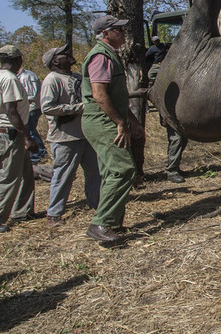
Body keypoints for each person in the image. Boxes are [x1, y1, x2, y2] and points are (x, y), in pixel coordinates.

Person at [82, 15, 145, 243]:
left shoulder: (110, 55)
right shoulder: (101, 57)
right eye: (118, 30)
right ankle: (101, 223)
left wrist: (132, 121)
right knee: (123, 169)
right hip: (102, 120)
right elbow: (99, 95)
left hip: (107, 118)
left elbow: (116, 97)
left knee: (111, 171)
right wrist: (120, 123)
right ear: (106, 33)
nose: (123, 33)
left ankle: (113, 221)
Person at [40, 45, 101, 227]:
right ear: (55, 61)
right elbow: (47, 107)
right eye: (63, 54)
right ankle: (54, 214)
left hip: (85, 133)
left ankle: (96, 205)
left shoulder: (77, 77)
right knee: (64, 175)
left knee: (95, 173)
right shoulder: (51, 80)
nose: (68, 55)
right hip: (65, 137)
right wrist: (78, 108)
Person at [0, 45, 38, 233]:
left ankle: (23, 211)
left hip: (7, 132)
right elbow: (11, 111)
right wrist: (27, 137)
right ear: (18, 60)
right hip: (11, 133)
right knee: (9, 178)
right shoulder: (10, 78)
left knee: (27, 175)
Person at [145, 37, 187, 184]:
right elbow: (158, 92)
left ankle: (175, 166)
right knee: (176, 139)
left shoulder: (175, 68)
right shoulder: (162, 71)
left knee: (182, 139)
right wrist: (163, 114)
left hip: (177, 110)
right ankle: (171, 170)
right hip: (168, 111)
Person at [16, 61, 47, 163]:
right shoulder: (22, 76)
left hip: (31, 108)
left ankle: (36, 155)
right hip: (29, 108)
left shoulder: (26, 76)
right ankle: (41, 152)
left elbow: (31, 96)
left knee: (30, 131)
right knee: (31, 130)